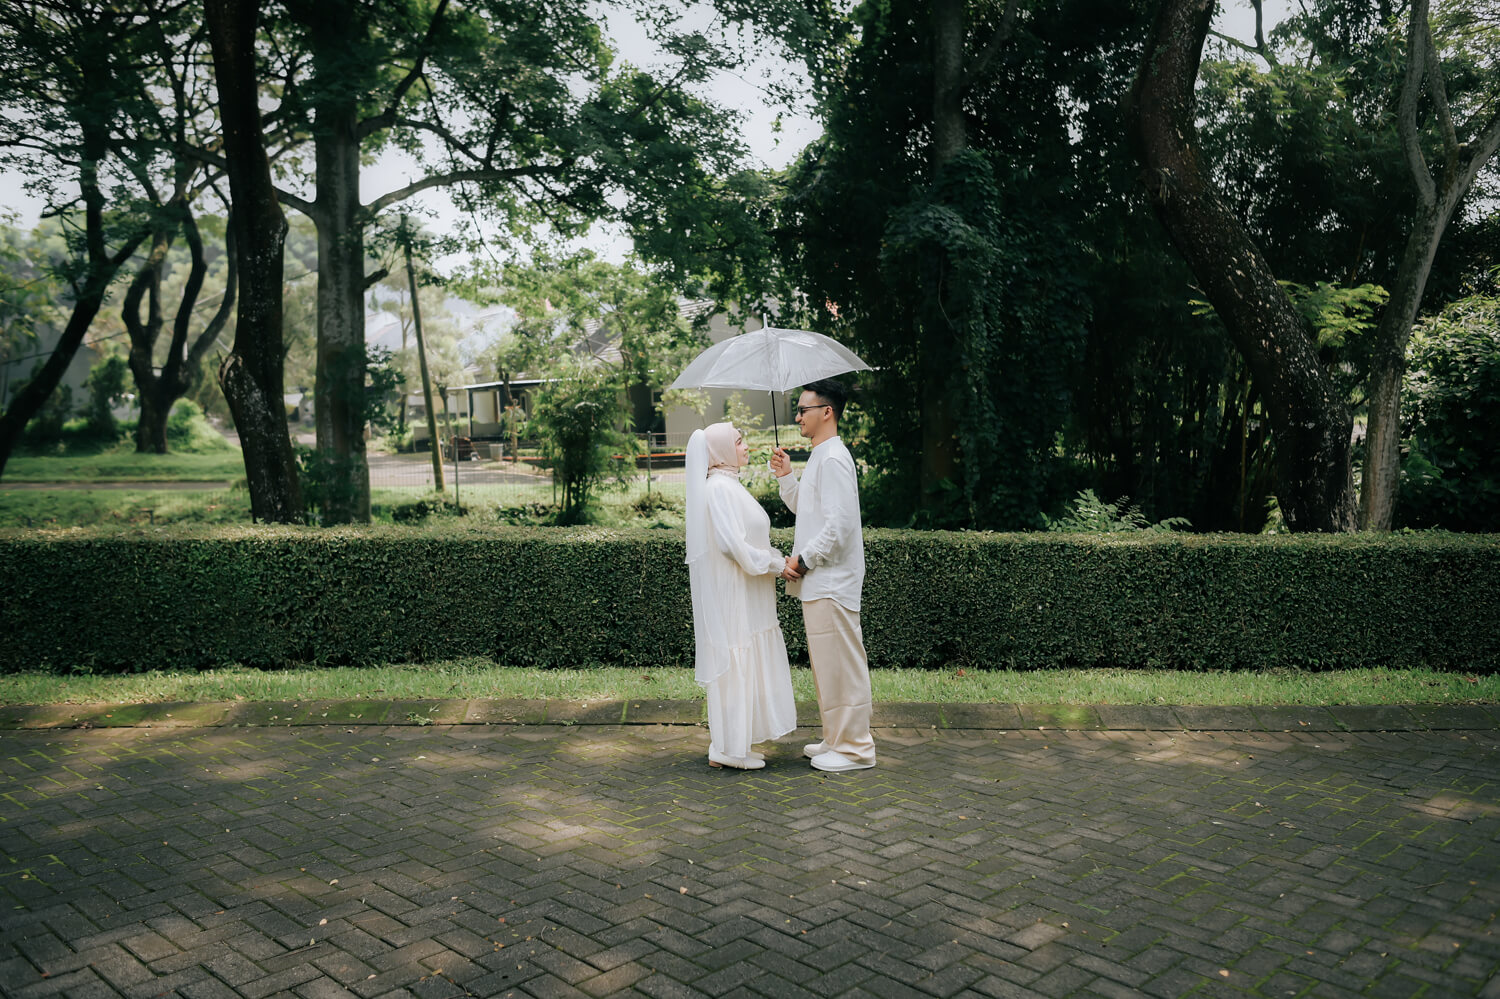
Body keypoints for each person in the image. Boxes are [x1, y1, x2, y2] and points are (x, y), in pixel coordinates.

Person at [769, 379, 876, 772]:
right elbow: (809, 510)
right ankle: (836, 738)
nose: (798, 417)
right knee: (827, 667)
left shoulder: (832, 459)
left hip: (831, 582)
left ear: (827, 412)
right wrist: (786, 476)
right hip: (820, 583)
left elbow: (840, 526)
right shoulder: (820, 456)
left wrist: (803, 560)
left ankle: (856, 749)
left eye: (803, 410)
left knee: (843, 667)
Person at [685, 422, 798, 770]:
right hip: (734, 591)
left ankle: (737, 743)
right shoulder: (719, 488)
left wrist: (774, 561)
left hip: (749, 592)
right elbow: (733, 546)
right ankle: (727, 749)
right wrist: (776, 564)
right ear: (720, 451)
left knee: (745, 661)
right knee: (735, 662)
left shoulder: (730, 485)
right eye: (738, 441)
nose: (746, 446)